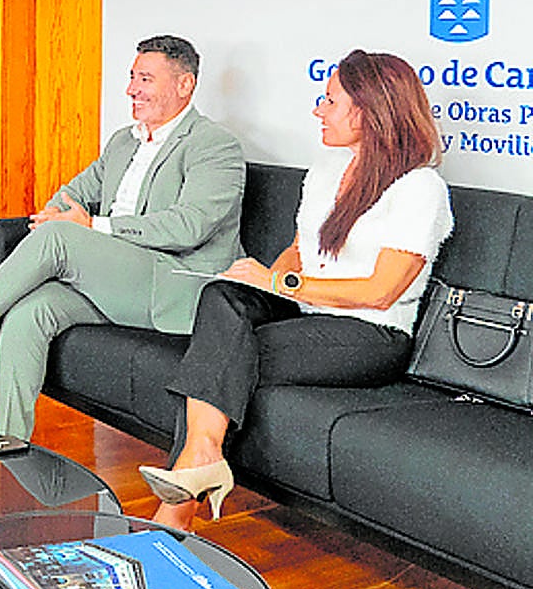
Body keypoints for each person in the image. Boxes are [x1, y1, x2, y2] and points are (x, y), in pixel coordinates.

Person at [0, 35, 246, 439]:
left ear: (184, 85)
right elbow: (74, 193)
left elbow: (189, 226)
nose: (131, 89)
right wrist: (54, 214)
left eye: (145, 79)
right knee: (29, 314)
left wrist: (90, 227)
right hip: (117, 281)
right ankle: (6, 443)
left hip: (173, 286)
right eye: (132, 77)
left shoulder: (214, 145)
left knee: (61, 236)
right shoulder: (124, 141)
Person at [140, 49, 453, 532]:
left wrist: (279, 282)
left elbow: (381, 291)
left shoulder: (419, 188)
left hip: (370, 334)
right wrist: (261, 278)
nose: (317, 110)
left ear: (369, 110)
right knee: (222, 297)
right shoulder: (328, 169)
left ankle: (173, 517)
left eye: (330, 101)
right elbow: (298, 250)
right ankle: (201, 457)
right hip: (307, 312)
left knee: (222, 358)